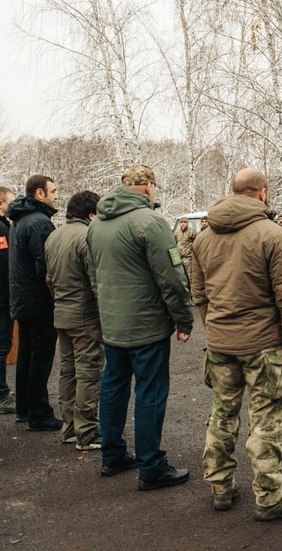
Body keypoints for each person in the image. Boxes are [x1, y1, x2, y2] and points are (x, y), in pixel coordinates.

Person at [192, 167, 282, 520]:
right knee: (267, 419)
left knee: (222, 415)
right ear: (262, 192)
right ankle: (270, 497)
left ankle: (220, 488)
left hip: (220, 343)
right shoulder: (272, 235)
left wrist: (213, 329)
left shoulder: (204, 237)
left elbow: (199, 294)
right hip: (262, 344)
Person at [87, 164, 193, 489]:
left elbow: (95, 277)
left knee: (113, 387)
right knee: (150, 392)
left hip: (113, 325)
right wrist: (183, 317)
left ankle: (112, 454)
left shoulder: (96, 226)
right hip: (146, 326)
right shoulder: (150, 222)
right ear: (147, 187)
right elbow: (173, 277)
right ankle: (151, 466)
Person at [45, 190, 105, 448]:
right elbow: (95, 282)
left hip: (62, 314)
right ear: (91, 214)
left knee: (67, 372)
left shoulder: (54, 236)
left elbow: (48, 279)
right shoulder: (86, 237)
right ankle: (87, 432)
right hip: (85, 317)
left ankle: (69, 427)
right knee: (88, 373)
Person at [7, 175, 62, 430]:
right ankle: (39, 414)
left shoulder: (19, 221)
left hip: (21, 298)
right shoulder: (39, 223)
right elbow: (45, 267)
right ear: (39, 194)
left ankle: (25, 409)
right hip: (38, 300)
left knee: (27, 355)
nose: (56, 195)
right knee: (40, 356)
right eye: (53, 191)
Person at [0, 186, 16, 414]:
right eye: (10, 202)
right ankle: (2, 394)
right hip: (2, 297)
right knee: (2, 345)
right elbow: (4, 266)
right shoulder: (2, 230)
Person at [174, 217, 197, 283]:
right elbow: (174, 244)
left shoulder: (191, 231)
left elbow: (196, 243)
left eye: (185, 222)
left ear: (187, 223)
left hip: (189, 258)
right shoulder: (177, 232)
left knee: (190, 277)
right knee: (181, 277)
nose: (183, 224)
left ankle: (192, 292)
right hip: (179, 258)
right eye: (181, 222)